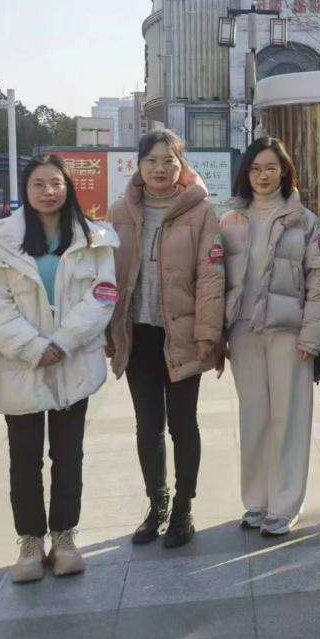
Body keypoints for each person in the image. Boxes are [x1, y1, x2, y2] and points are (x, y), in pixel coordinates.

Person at [0, 154, 120, 583]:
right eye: (38, 184)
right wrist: (34, 347)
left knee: (68, 455)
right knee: (23, 458)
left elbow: (103, 294)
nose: (48, 191)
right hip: (19, 364)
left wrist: (64, 342)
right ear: (26, 189)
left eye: (56, 183)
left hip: (73, 362)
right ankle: (30, 542)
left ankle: (65, 538)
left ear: (68, 187)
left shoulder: (95, 237)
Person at [107, 130, 224, 549]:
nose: (160, 168)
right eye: (152, 160)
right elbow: (106, 276)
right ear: (138, 165)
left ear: (181, 165)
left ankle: (183, 509)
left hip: (183, 333)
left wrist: (208, 333)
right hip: (137, 333)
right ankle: (157, 505)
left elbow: (211, 277)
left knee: (183, 424)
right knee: (148, 426)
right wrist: (109, 331)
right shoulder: (120, 211)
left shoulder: (202, 212)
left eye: (169, 160)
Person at [221, 137, 320, 536]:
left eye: (271, 168)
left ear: (285, 172)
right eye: (255, 168)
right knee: (254, 417)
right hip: (243, 332)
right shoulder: (230, 221)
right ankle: (256, 501)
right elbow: (215, 280)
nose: (263, 176)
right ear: (246, 173)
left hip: (290, 334)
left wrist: (312, 337)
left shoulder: (305, 221)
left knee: (289, 418)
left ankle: (285, 504)